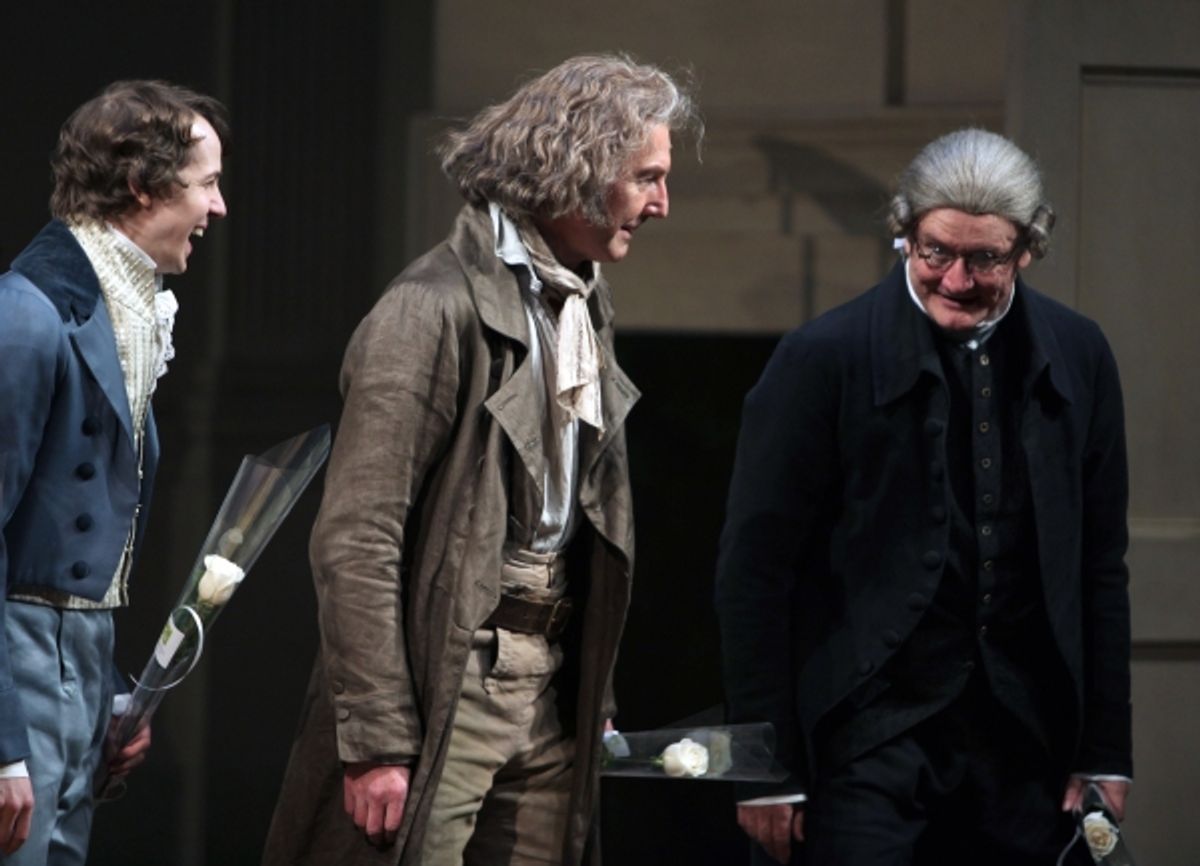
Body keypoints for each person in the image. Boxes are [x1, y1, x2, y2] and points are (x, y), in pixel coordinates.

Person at [265, 55, 699, 866]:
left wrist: (591, 695)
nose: (660, 204)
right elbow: (357, 536)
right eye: (646, 177)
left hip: (549, 683)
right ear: (581, 166)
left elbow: (585, 520)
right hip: (450, 680)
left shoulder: (582, 302)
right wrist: (378, 740)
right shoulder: (432, 307)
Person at [715, 128, 1131, 865]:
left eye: (986, 259)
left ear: (1028, 249)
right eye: (935, 250)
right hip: (863, 741)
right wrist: (763, 766)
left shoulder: (1080, 353)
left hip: (1023, 744)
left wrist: (1106, 751)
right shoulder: (821, 359)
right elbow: (754, 573)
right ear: (904, 232)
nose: (956, 280)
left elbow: (1100, 564)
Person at [0, 80, 228, 864]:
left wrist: (109, 695)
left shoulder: (124, 315)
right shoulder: (28, 316)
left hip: (76, 663)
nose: (218, 207)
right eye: (206, 184)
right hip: (18, 668)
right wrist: (2, 744)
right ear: (142, 187)